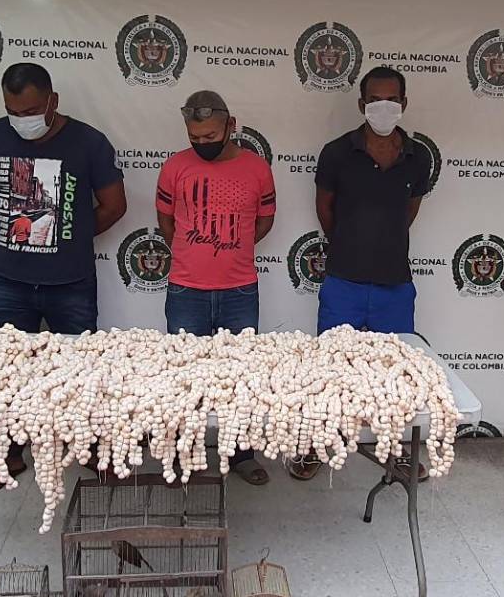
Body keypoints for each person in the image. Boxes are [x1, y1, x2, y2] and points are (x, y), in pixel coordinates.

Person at [0, 62, 127, 493]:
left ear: (53, 101)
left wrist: (70, 237)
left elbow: (114, 205)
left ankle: (90, 451)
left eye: (32, 110)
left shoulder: (89, 142)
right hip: (7, 282)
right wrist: (3, 236)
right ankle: (9, 455)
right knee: (7, 376)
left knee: (80, 375)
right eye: (13, 112)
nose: (23, 120)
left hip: (70, 282)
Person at [292, 66, 433, 481]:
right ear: (361, 104)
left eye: (391, 100)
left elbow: (409, 211)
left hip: (395, 284)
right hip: (344, 282)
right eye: (374, 100)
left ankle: (396, 451)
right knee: (328, 371)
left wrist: (381, 241)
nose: (383, 107)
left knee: (396, 375)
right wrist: (351, 242)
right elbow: (325, 209)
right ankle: (317, 445)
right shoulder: (336, 153)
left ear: (404, 104)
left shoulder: (418, 157)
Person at [156, 91, 276, 486]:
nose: (202, 143)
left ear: (231, 125)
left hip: (239, 290)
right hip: (186, 290)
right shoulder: (175, 167)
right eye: (195, 138)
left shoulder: (257, 169)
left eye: (210, 136)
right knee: (184, 377)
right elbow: (166, 220)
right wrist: (193, 254)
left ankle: (240, 453)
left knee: (239, 377)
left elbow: (264, 222)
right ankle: (185, 453)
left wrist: (231, 249)